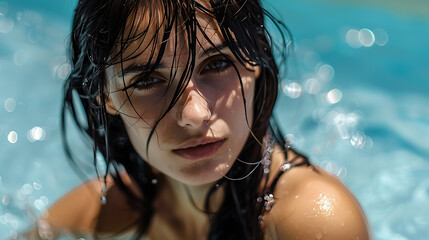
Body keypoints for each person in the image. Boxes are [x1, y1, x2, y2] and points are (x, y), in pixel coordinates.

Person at [28, 0, 371, 239]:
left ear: (255, 62)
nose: (194, 115)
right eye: (147, 80)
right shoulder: (105, 212)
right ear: (106, 98)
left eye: (217, 64)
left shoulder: (314, 221)